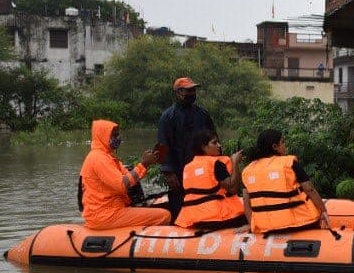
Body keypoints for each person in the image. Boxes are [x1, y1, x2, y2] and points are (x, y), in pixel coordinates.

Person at [78, 120, 171, 230]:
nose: (118, 138)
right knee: (165, 215)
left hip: (110, 211)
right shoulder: (98, 159)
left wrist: (147, 164)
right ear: (103, 136)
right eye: (114, 135)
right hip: (105, 215)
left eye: (118, 134)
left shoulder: (108, 157)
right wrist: (143, 164)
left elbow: (129, 178)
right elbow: (122, 185)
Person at [241, 129, 328, 233]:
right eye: (282, 142)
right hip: (302, 223)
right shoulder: (289, 163)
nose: (284, 145)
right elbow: (310, 189)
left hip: (266, 228)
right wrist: (323, 211)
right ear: (275, 147)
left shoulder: (247, 171)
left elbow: (246, 204)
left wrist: (253, 225)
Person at [157, 76, 217, 221]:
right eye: (188, 91)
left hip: (202, 170)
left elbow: (214, 140)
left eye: (193, 90)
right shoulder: (167, 117)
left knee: (204, 200)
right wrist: (168, 171)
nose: (192, 93)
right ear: (178, 93)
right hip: (178, 170)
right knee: (178, 203)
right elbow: (162, 145)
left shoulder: (202, 114)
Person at [175, 130, 246, 231]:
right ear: (203, 147)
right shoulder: (216, 164)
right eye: (214, 143)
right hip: (216, 218)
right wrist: (234, 162)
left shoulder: (188, 166)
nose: (219, 145)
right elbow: (233, 188)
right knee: (250, 208)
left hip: (194, 218)